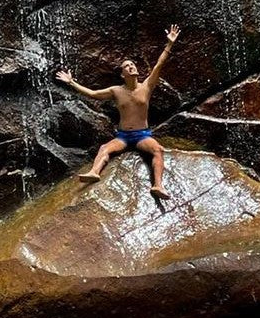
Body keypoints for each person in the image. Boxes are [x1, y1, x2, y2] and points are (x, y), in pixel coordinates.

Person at [56, 24, 181, 199]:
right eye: (127, 66)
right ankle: (94, 172)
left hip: (142, 135)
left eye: (132, 65)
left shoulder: (147, 86)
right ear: (123, 74)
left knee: (158, 150)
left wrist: (169, 44)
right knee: (105, 148)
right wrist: (71, 82)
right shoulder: (116, 91)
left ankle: (158, 186)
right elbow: (93, 94)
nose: (131, 67)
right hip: (123, 136)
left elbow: (159, 64)